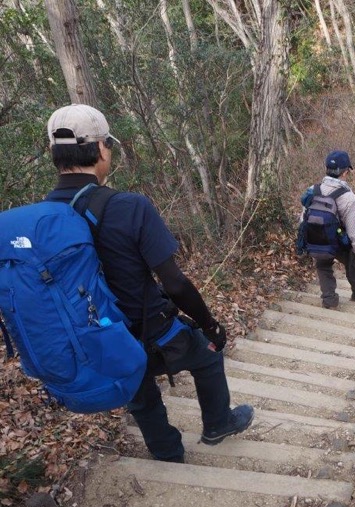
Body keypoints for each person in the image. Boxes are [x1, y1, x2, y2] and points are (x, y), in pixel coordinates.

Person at [43, 104, 253, 463]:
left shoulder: (43, 217)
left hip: (97, 336)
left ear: (54, 154)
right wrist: (209, 324)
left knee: (139, 390)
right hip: (153, 331)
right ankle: (218, 424)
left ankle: (167, 453)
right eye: (108, 144)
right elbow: (174, 283)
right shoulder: (129, 206)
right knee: (206, 356)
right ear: (100, 149)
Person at [306, 150, 355, 309]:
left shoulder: (312, 190)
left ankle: (329, 301)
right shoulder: (349, 198)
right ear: (345, 172)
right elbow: (354, 232)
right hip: (339, 240)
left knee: (323, 265)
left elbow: (304, 217)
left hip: (317, 239)